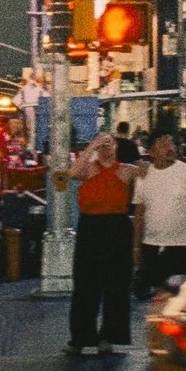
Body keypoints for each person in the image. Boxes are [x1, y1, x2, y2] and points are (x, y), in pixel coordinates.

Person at [67, 132, 139, 356]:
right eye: (103, 144)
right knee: (85, 284)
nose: (106, 147)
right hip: (90, 227)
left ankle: (110, 335)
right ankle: (80, 337)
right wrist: (92, 146)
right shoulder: (89, 168)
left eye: (110, 144)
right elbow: (72, 173)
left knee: (116, 284)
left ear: (117, 147)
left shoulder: (127, 170)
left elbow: (149, 176)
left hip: (117, 227)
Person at [131, 132, 186, 304]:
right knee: (155, 295)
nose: (169, 148)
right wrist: (136, 247)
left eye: (171, 143)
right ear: (151, 152)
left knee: (176, 296)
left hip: (181, 245)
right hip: (151, 245)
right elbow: (139, 213)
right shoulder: (143, 175)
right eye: (162, 144)